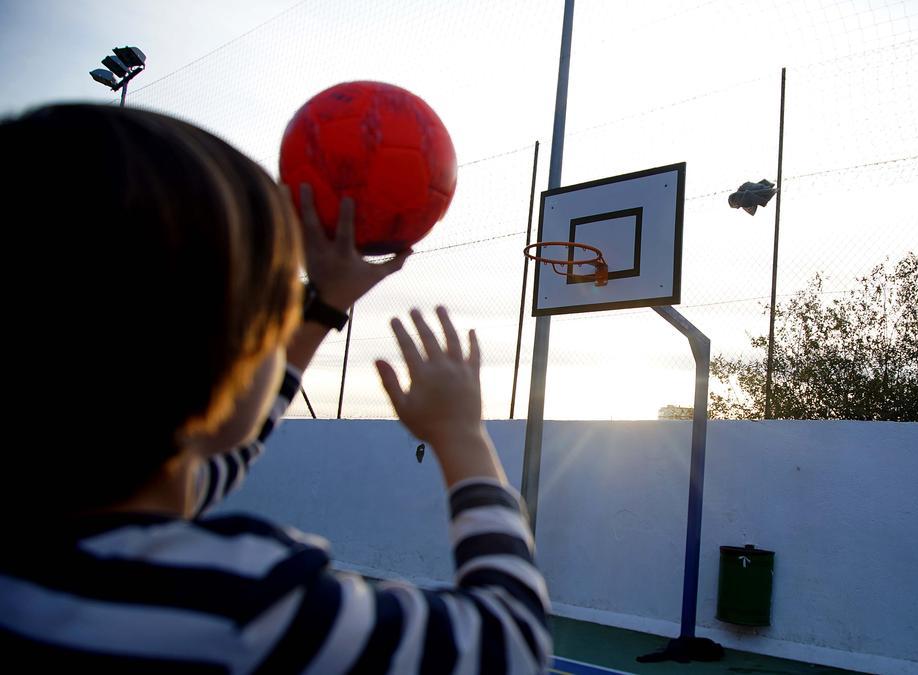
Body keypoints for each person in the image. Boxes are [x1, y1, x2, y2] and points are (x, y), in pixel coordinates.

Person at [0, 104, 551, 673]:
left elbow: (224, 452)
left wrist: (325, 304)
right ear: (217, 362)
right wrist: (463, 438)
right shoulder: (241, 603)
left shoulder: (31, 537)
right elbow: (511, 643)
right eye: (275, 307)